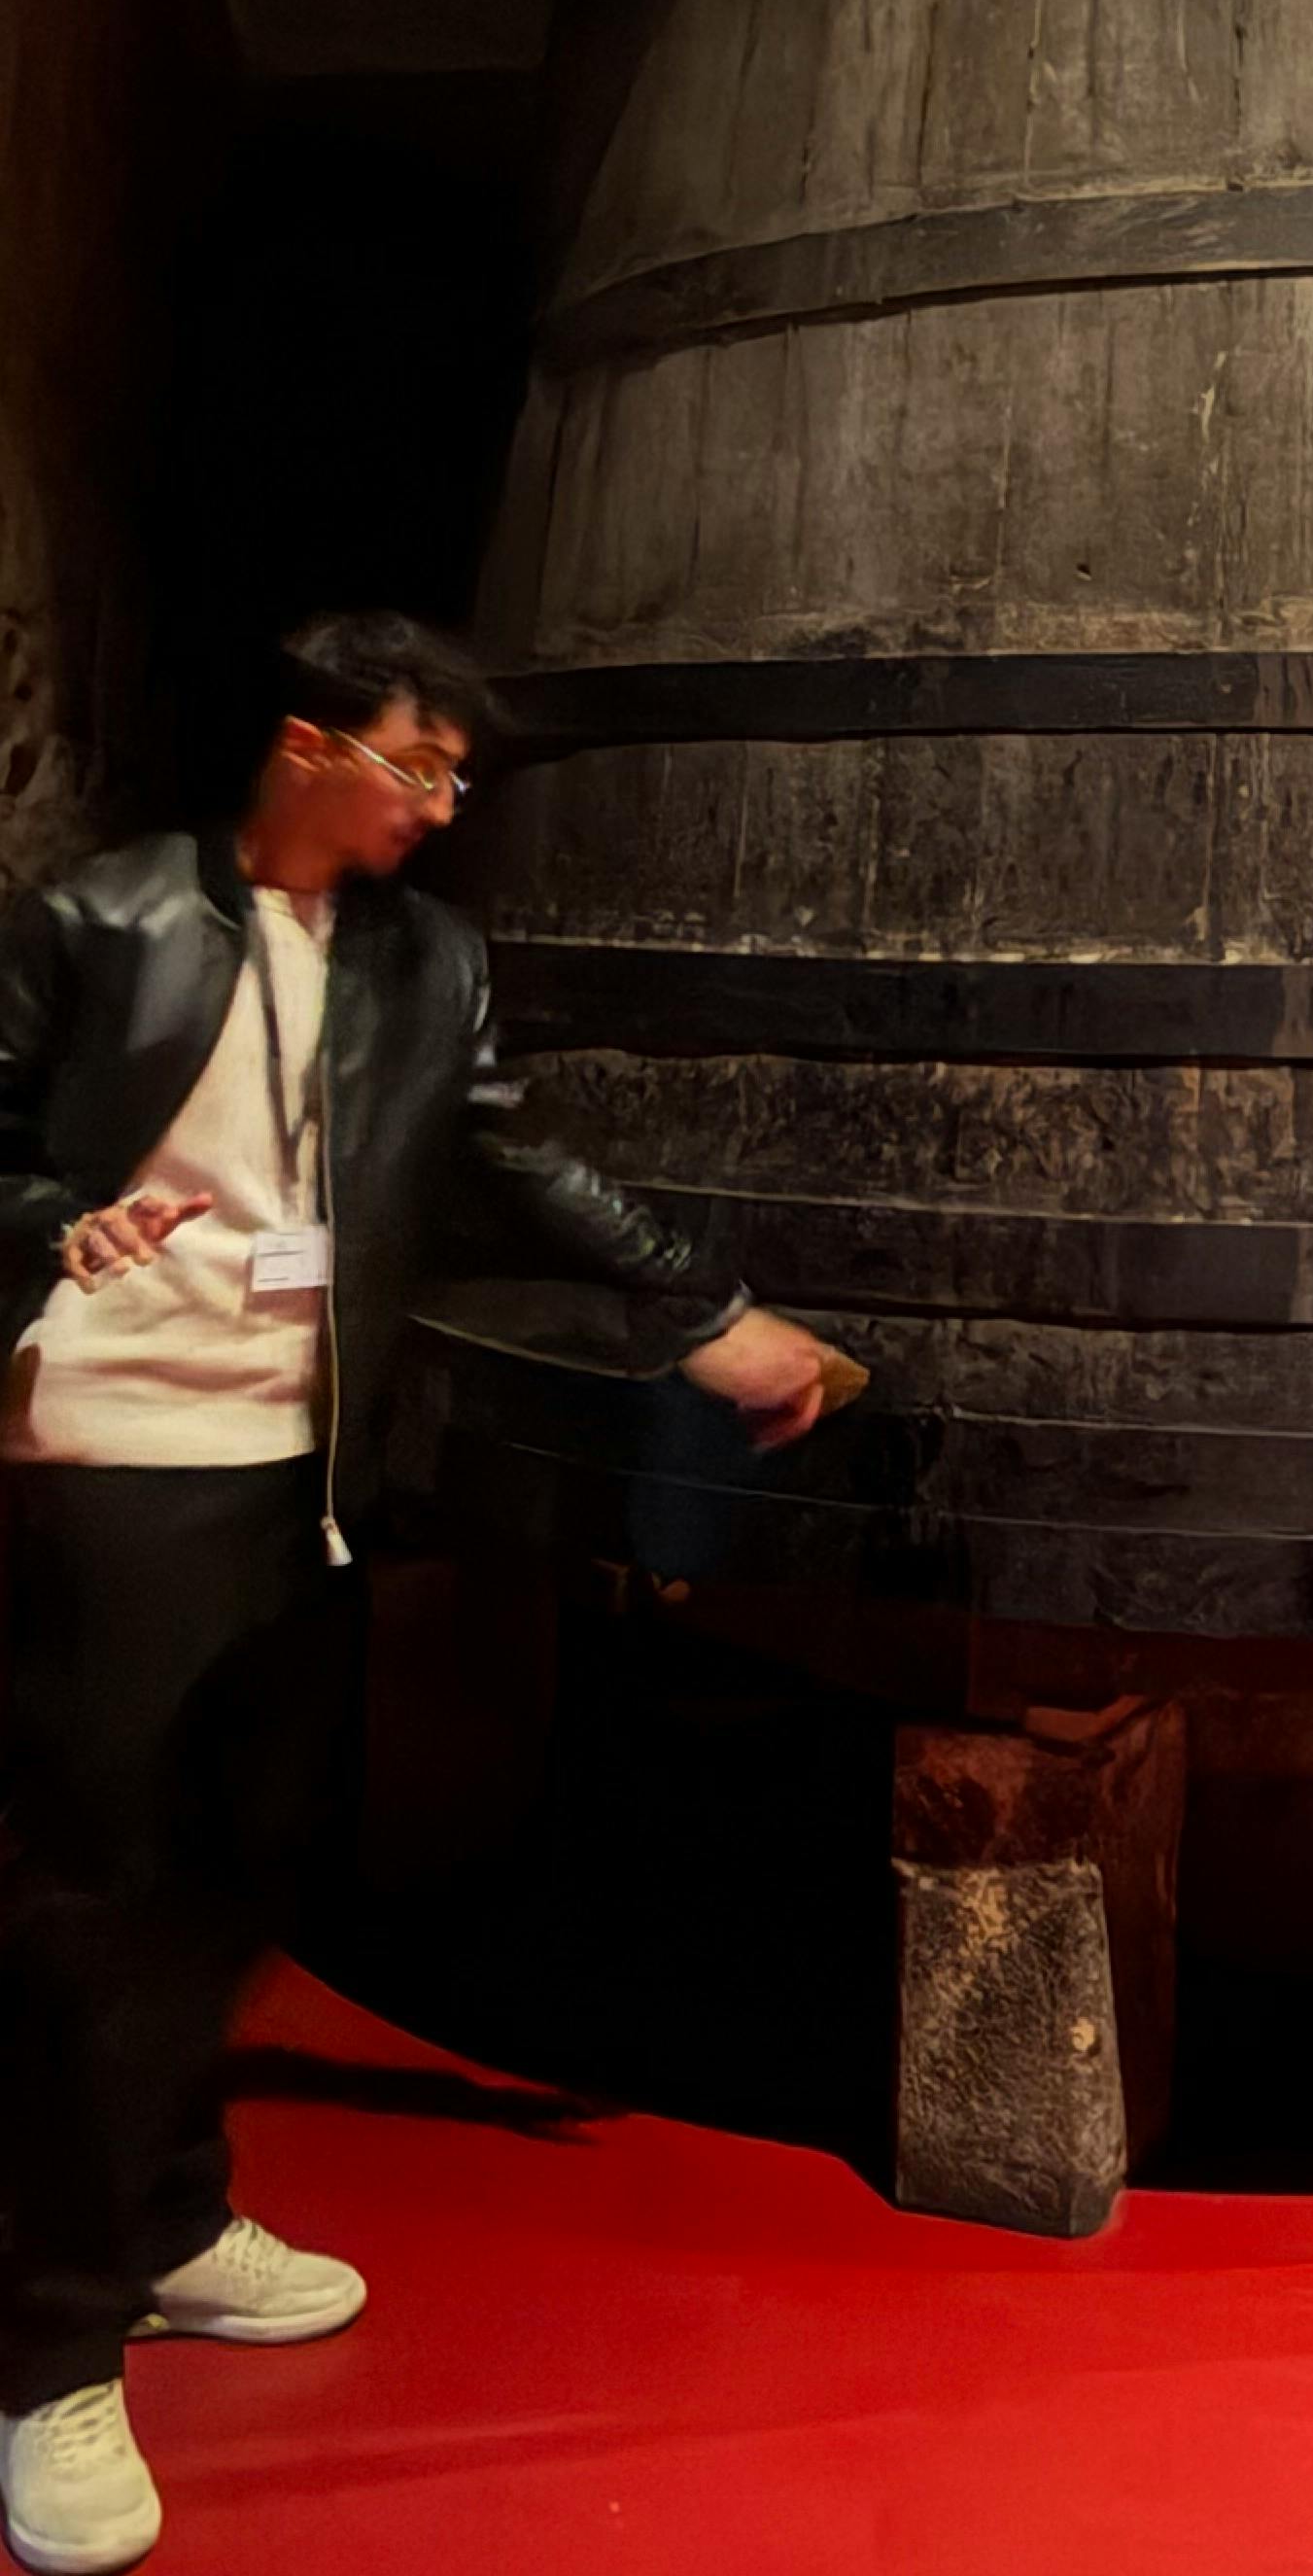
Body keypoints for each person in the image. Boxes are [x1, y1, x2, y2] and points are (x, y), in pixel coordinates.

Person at [0, 611, 830, 2575]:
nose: (440, 809)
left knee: (239, 1867)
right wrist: (58, 1218)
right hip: (111, 1458)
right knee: (93, 1915)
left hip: (302, 1475)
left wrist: (700, 1310)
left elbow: (504, 1160)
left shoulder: (420, 961)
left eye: (457, 778)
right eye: (417, 766)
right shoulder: (104, 919)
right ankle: (47, 2352)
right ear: (309, 745)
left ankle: (171, 2223)